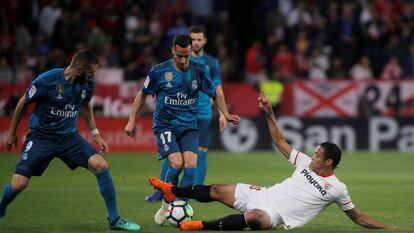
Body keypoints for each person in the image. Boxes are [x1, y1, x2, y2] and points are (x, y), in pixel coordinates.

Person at [148, 91, 401, 231]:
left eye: (317, 155)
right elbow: (281, 143)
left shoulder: (337, 188)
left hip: (274, 213)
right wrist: (269, 113)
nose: (311, 156)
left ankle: (198, 226)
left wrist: (389, 228)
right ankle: (171, 190)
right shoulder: (304, 163)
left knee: (256, 217)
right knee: (216, 189)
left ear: (329, 163)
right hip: (264, 193)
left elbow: (358, 217)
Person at [1, 50, 141, 232]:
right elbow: (22, 103)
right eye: (91, 72)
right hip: (41, 137)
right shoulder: (47, 80)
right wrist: (11, 133)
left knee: (101, 165)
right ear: (80, 69)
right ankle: (1, 208)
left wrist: (96, 133)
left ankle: (114, 219)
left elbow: (85, 105)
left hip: (68, 138)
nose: (93, 76)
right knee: (19, 184)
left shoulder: (87, 83)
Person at [124, 35, 240, 225]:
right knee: (177, 163)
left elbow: (215, 93)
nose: (184, 60)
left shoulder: (200, 71)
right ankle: (165, 204)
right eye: (180, 56)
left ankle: (182, 206)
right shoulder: (158, 72)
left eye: (187, 56)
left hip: (189, 126)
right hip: (165, 125)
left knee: (191, 163)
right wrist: (131, 120)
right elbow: (142, 95)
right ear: (173, 51)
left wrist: (225, 114)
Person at [145, 25, 229, 202]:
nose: (197, 42)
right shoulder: (168, 68)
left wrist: (223, 113)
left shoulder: (211, 63)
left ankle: (194, 189)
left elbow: (217, 89)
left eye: (200, 39)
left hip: (203, 113)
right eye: (194, 39)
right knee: (173, 158)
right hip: (177, 114)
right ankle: (163, 191)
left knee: (198, 154)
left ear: (204, 41)